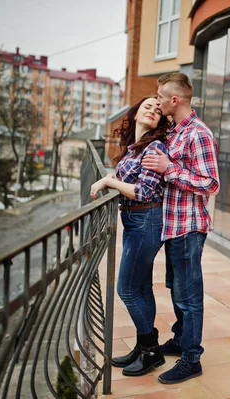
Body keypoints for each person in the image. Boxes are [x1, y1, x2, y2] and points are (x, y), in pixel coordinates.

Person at [141, 72, 219, 384]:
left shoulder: (198, 134)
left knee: (189, 296)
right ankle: (179, 339)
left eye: (160, 96)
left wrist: (169, 169)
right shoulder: (176, 131)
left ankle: (191, 359)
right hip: (174, 227)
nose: (157, 101)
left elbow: (210, 184)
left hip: (189, 229)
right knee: (177, 290)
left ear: (175, 100)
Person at [90, 96, 168, 376]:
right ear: (136, 114)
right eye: (148, 106)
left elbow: (144, 191)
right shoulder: (136, 148)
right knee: (142, 288)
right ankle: (144, 345)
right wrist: (115, 178)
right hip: (137, 219)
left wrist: (109, 181)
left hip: (146, 220)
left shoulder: (154, 147)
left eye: (158, 110)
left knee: (126, 289)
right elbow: (131, 181)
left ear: (160, 121)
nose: (152, 111)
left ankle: (151, 351)